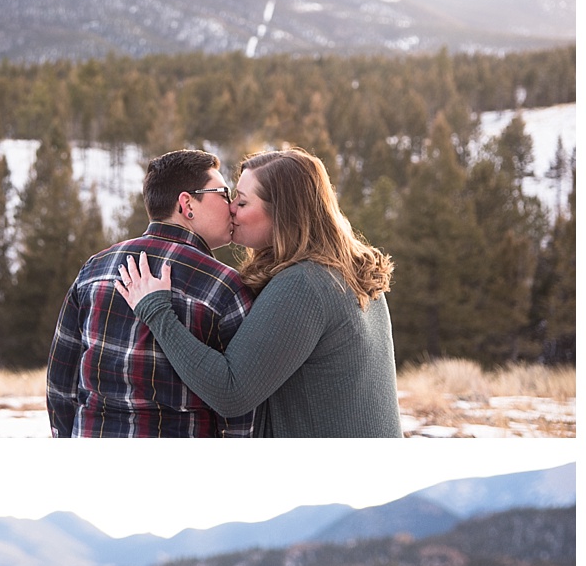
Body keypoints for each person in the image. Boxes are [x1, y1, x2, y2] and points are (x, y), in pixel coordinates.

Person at [115, 147, 403, 437]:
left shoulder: (304, 285)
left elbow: (231, 392)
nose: (231, 209)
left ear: (282, 212)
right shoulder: (346, 273)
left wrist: (157, 312)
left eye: (242, 201)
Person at [45, 149, 256, 437]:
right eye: (223, 193)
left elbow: (61, 383)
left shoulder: (95, 270)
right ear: (187, 204)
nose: (231, 206)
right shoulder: (225, 287)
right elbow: (240, 408)